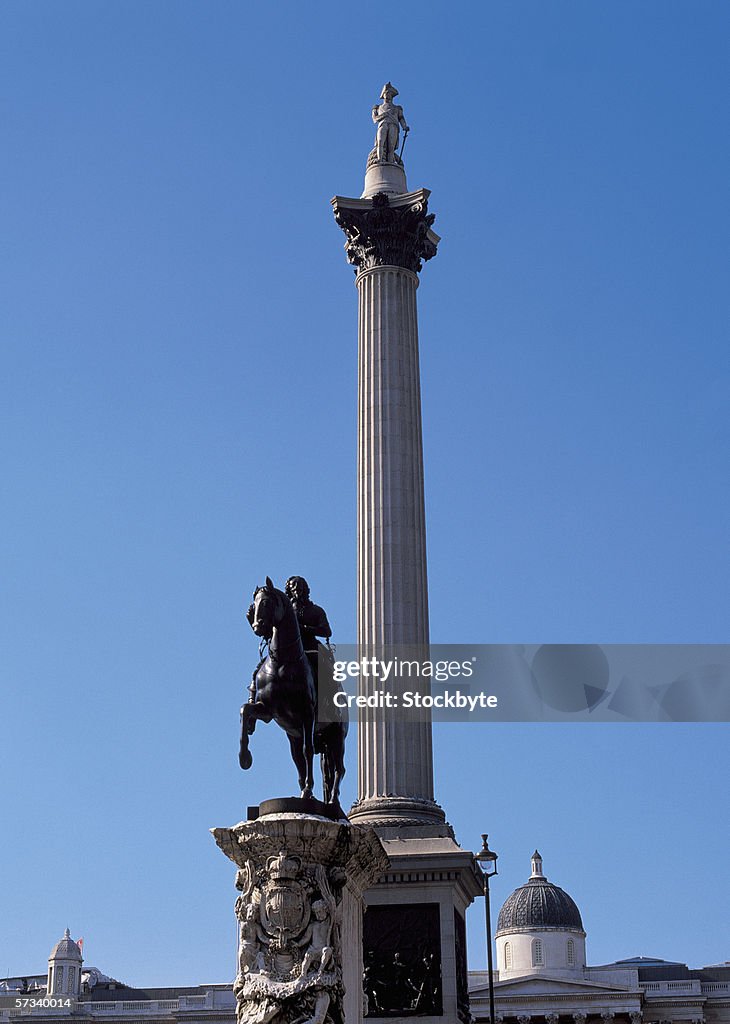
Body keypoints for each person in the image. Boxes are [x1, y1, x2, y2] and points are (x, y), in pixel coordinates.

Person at [372, 82, 408, 163]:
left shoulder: (397, 108)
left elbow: (401, 118)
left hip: (394, 125)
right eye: (386, 93)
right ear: (383, 95)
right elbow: (375, 119)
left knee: (391, 146)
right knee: (380, 142)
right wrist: (385, 115)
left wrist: (404, 127)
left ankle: (391, 162)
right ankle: (379, 160)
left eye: (389, 93)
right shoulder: (377, 107)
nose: (387, 95)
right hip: (383, 124)